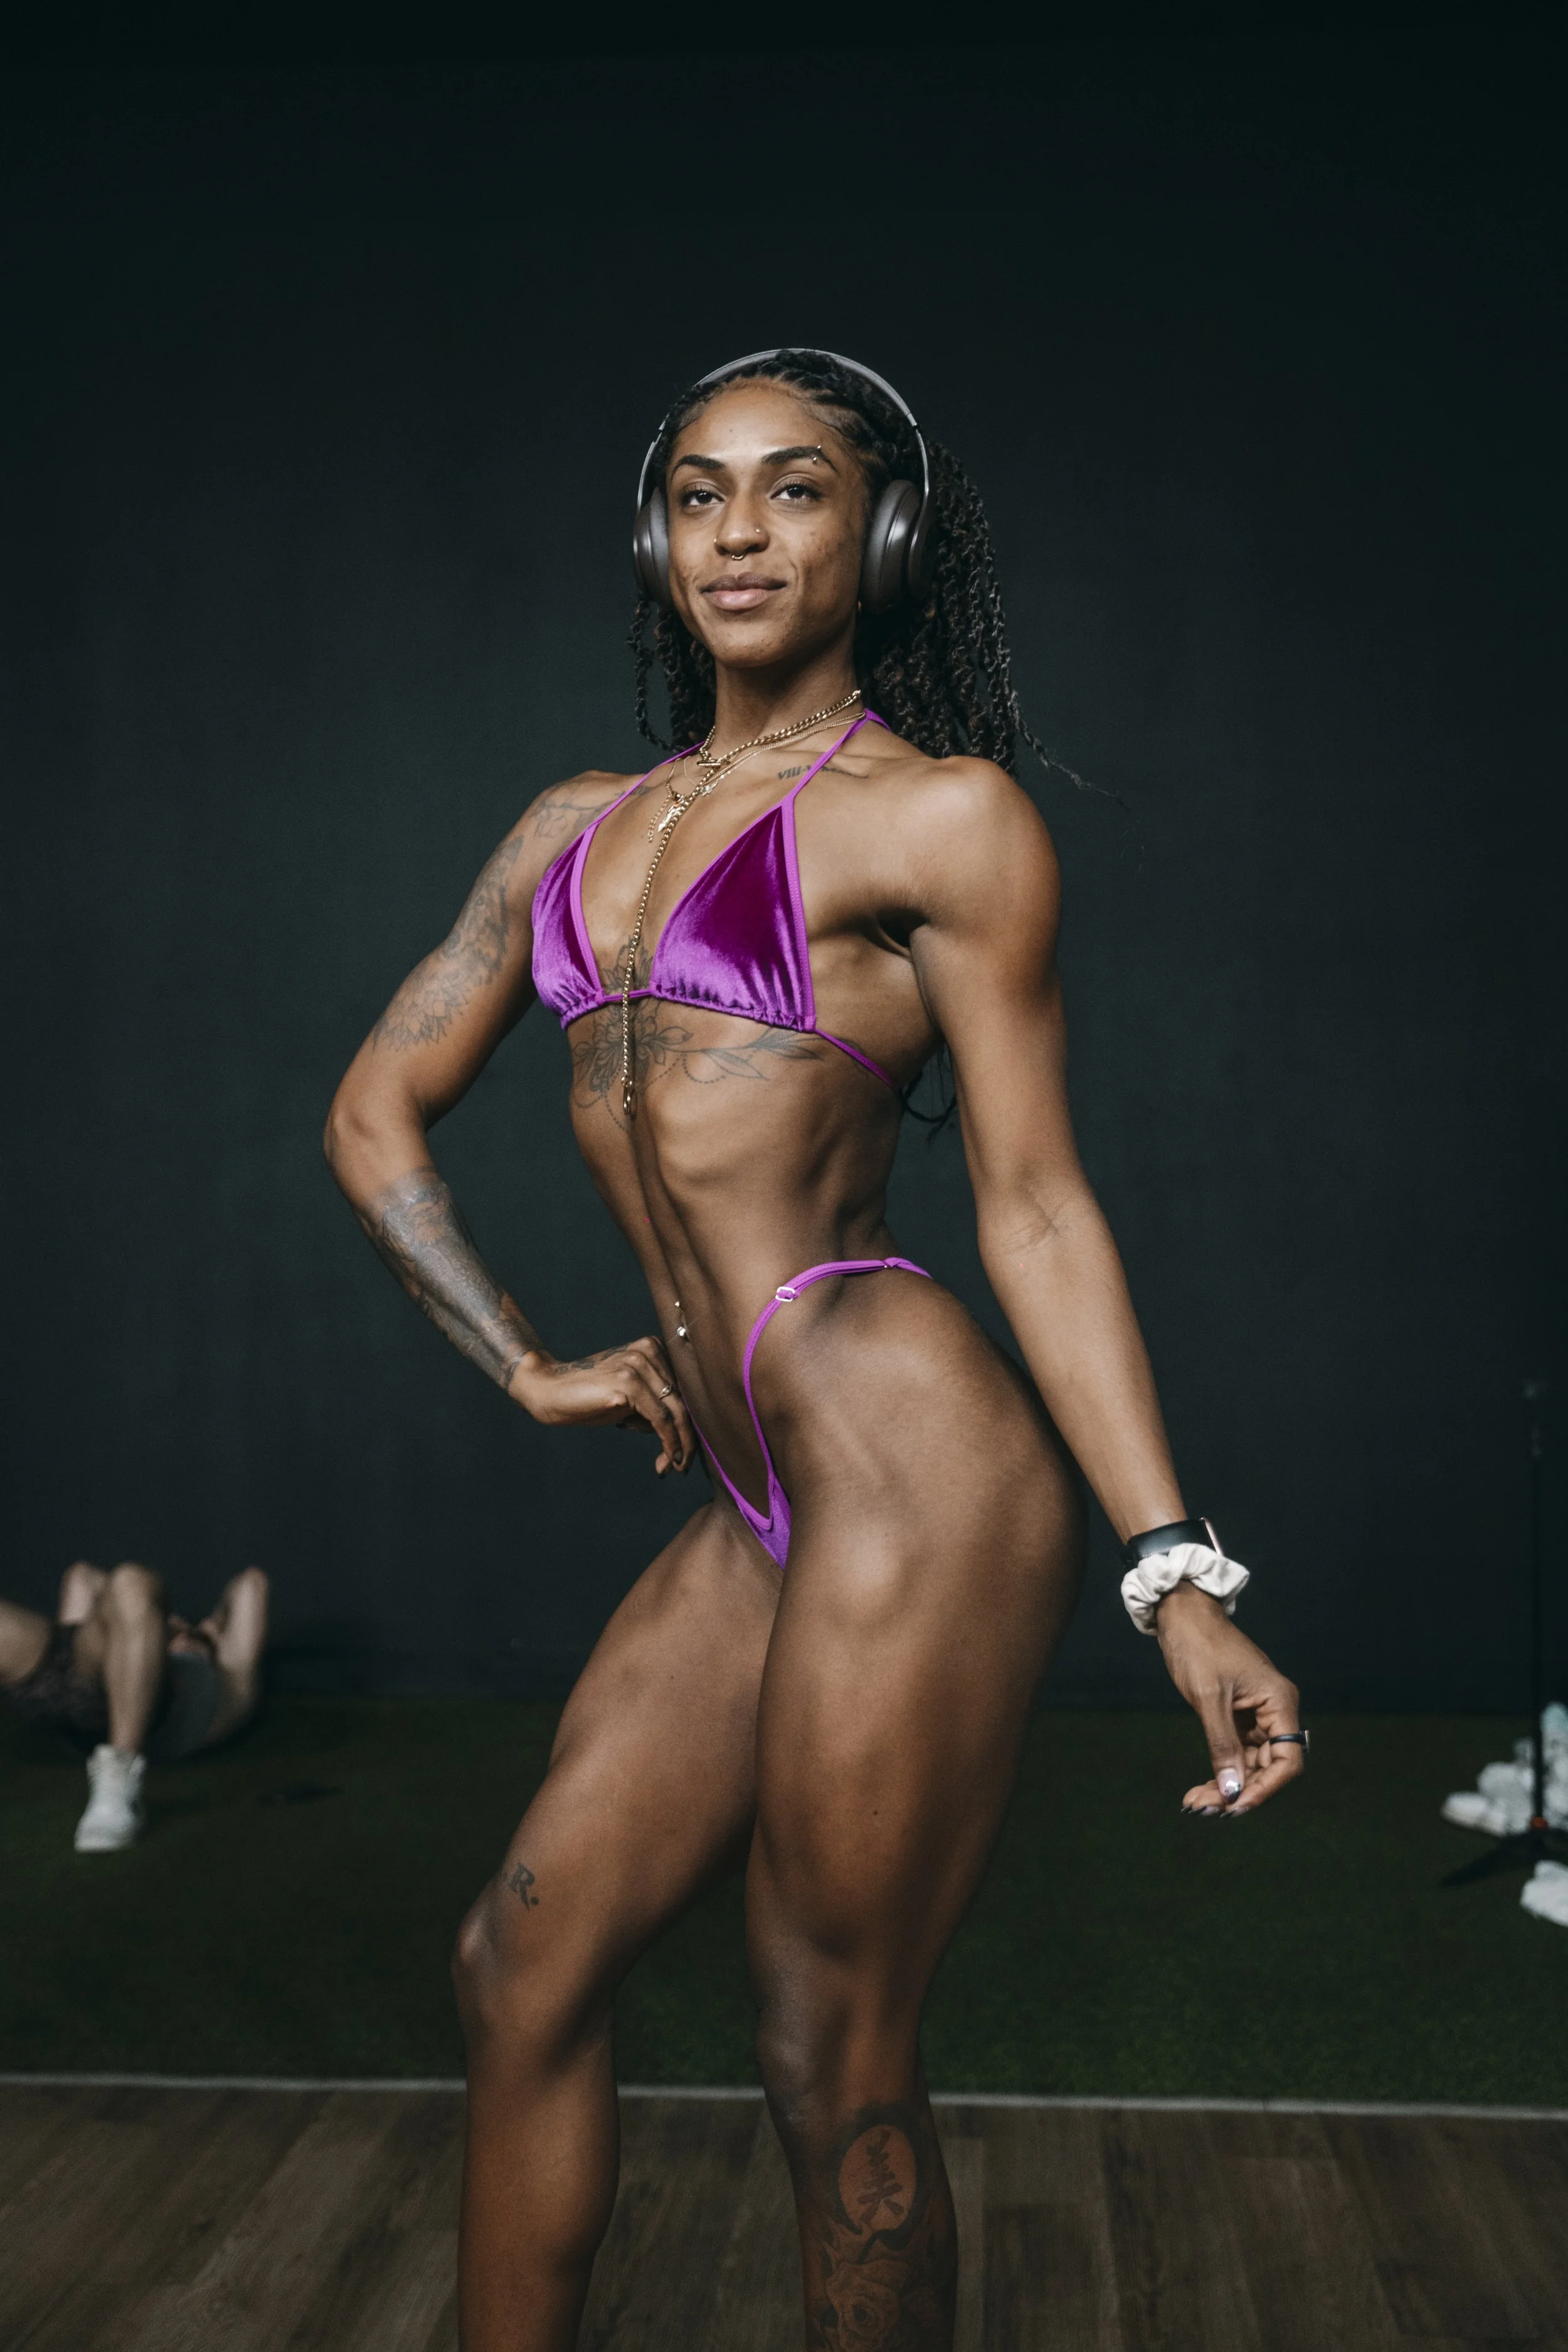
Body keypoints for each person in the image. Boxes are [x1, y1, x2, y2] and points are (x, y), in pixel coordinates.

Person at [326, 348, 1305, 2351]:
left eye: (790, 491)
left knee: (822, 2047)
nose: (739, 533)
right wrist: (522, 1357)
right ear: (654, 535)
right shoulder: (566, 835)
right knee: (517, 1969)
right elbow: (368, 1114)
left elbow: (1030, 1203)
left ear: (878, 535)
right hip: (768, 1488)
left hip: (911, 1465)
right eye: (699, 493)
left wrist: (1173, 1572)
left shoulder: (938, 822)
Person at [0, 1561, 270, 1850]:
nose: (182, 1635)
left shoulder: (231, 1681)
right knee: (126, 1588)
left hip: (131, 1726)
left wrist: (214, 1626)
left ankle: (118, 1787)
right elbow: (81, 1576)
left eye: (194, 1638)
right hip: (73, 1682)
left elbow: (253, 1584)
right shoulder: (124, 1636)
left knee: (133, 1582)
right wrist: (147, 1618)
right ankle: (133, 1610)